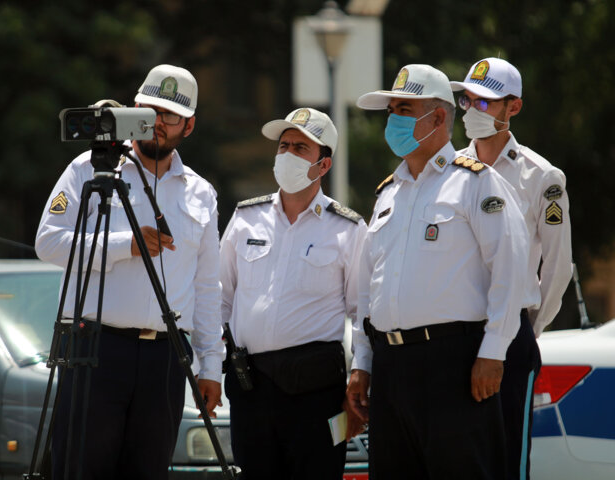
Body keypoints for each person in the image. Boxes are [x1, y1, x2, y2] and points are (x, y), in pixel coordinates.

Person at [35, 64, 223, 480]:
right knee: (80, 469)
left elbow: (207, 286)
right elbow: (47, 242)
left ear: (188, 127)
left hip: (165, 357)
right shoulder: (90, 169)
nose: (155, 124)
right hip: (95, 349)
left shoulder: (201, 192)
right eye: (147, 111)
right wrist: (126, 245)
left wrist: (211, 367)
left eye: (169, 117)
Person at [347, 64, 530, 479]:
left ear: (439, 117)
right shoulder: (387, 194)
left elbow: (510, 268)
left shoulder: (475, 184)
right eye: (391, 109)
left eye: (404, 109)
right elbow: (366, 289)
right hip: (392, 366)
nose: (393, 119)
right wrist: (362, 361)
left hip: (454, 363)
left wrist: (493, 352)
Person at [220, 107, 367, 479]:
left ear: (324, 164)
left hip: (316, 389)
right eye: (283, 146)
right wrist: (212, 360)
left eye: (300, 148)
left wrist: (361, 372)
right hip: (250, 385)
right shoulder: (245, 217)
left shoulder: (348, 229)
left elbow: (362, 311)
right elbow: (218, 297)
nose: (287, 155)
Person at [450, 57, 573, 480]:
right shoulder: (447, 173)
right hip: (454, 330)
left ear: (513, 108)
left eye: (485, 102)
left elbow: (557, 267)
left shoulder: (541, 176)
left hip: (508, 333)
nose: (471, 110)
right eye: (467, 100)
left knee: (504, 459)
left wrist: (524, 328)